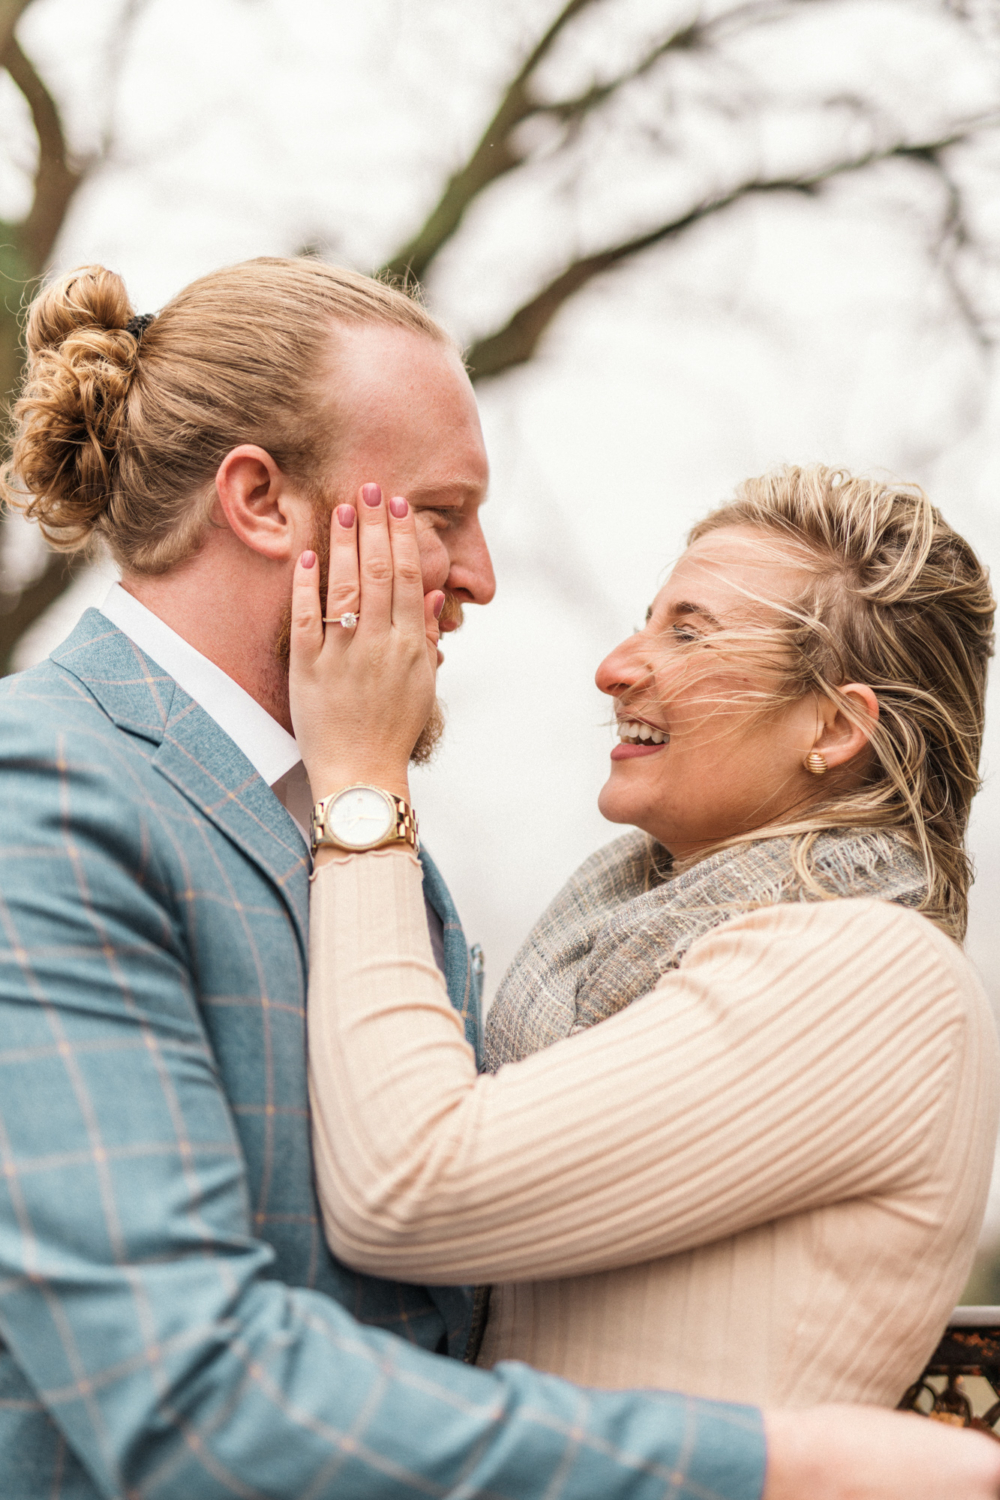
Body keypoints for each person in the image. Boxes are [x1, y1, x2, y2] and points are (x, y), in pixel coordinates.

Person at [0, 259, 997, 1500]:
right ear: (259, 500)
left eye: (688, 630)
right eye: (438, 512)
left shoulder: (353, 834)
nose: (479, 575)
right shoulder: (43, 787)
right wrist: (778, 1465)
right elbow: (183, 1387)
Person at [292, 464, 1000, 1407]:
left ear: (831, 725)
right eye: (649, 619)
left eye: (689, 631)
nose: (616, 665)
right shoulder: (660, 933)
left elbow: (410, 1185)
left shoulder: (870, 971)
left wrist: (362, 781)